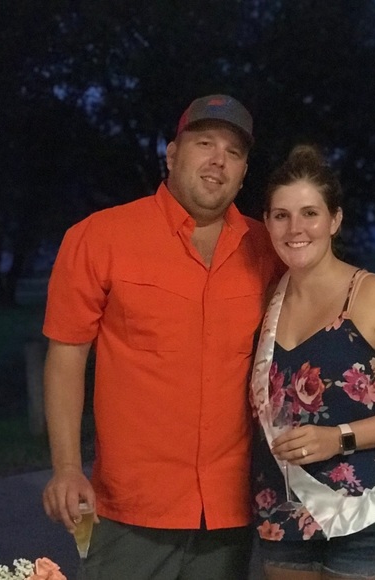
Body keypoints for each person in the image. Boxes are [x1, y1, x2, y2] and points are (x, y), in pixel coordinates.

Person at [41, 94, 282, 580]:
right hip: (130, 509)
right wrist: (66, 468)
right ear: (172, 155)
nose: (218, 160)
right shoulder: (100, 237)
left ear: (243, 173)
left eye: (234, 152)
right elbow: (66, 357)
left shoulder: (268, 248)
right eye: (204, 143)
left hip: (229, 509)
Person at [250, 144, 375, 580]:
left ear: (335, 220)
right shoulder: (266, 301)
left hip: (372, 514)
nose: (295, 228)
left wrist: (339, 438)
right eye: (281, 215)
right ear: (266, 222)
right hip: (286, 512)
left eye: (310, 213)